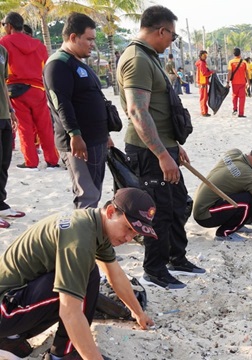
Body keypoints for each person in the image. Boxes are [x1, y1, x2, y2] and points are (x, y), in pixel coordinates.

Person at [0, 187, 156, 360]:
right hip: (4, 310)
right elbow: (70, 311)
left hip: (12, 303)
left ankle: (10, 339)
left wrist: (138, 312)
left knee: (88, 275)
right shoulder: (80, 238)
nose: (129, 238)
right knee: (80, 282)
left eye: (135, 233)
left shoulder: (94, 225)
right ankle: (63, 354)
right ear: (111, 212)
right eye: (128, 228)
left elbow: (115, 274)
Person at [117, 5, 202, 290]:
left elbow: (159, 109)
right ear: (161, 30)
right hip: (148, 151)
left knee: (178, 204)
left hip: (164, 148)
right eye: (173, 37)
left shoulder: (149, 58)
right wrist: (162, 154)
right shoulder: (137, 59)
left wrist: (173, 147)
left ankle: (177, 257)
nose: (172, 42)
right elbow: (138, 112)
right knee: (157, 211)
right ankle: (154, 269)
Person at [44, 13, 114, 210]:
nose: (93, 44)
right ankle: (82, 238)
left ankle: (90, 235)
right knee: (87, 195)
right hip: (78, 143)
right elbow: (62, 103)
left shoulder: (78, 63)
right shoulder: (58, 65)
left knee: (95, 192)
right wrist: (74, 135)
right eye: (89, 39)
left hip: (96, 139)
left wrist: (105, 134)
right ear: (73, 38)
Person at [0, 12, 60, 170]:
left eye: (3, 24)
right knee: (44, 125)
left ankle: (31, 161)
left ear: (10, 26)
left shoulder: (4, 42)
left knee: (24, 127)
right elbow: (46, 68)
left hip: (16, 89)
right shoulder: (39, 45)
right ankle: (52, 159)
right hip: (38, 89)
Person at [193, 142, 252, 240]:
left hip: (201, 205)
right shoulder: (251, 180)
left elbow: (240, 172)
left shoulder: (234, 153)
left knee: (244, 194)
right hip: (205, 215)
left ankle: (236, 224)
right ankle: (225, 233)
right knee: (249, 201)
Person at [0, 43, 22, 229]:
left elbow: (3, 82)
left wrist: (11, 109)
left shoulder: (2, 51)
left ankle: (1, 203)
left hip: (4, 114)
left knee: (4, 162)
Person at [226, 48, 249, 118]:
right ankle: (241, 113)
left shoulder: (231, 62)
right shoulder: (244, 62)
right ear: (240, 53)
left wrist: (228, 82)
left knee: (234, 96)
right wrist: (248, 81)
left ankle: (235, 109)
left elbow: (229, 73)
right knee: (242, 98)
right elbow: (247, 72)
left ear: (234, 54)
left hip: (234, 83)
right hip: (242, 82)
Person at [195, 50, 214, 116]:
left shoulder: (202, 63)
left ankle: (204, 111)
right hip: (203, 83)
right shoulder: (202, 63)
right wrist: (211, 72)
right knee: (203, 97)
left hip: (203, 82)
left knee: (204, 97)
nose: (205, 57)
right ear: (201, 55)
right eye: (204, 55)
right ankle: (204, 112)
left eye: (206, 56)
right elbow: (204, 73)